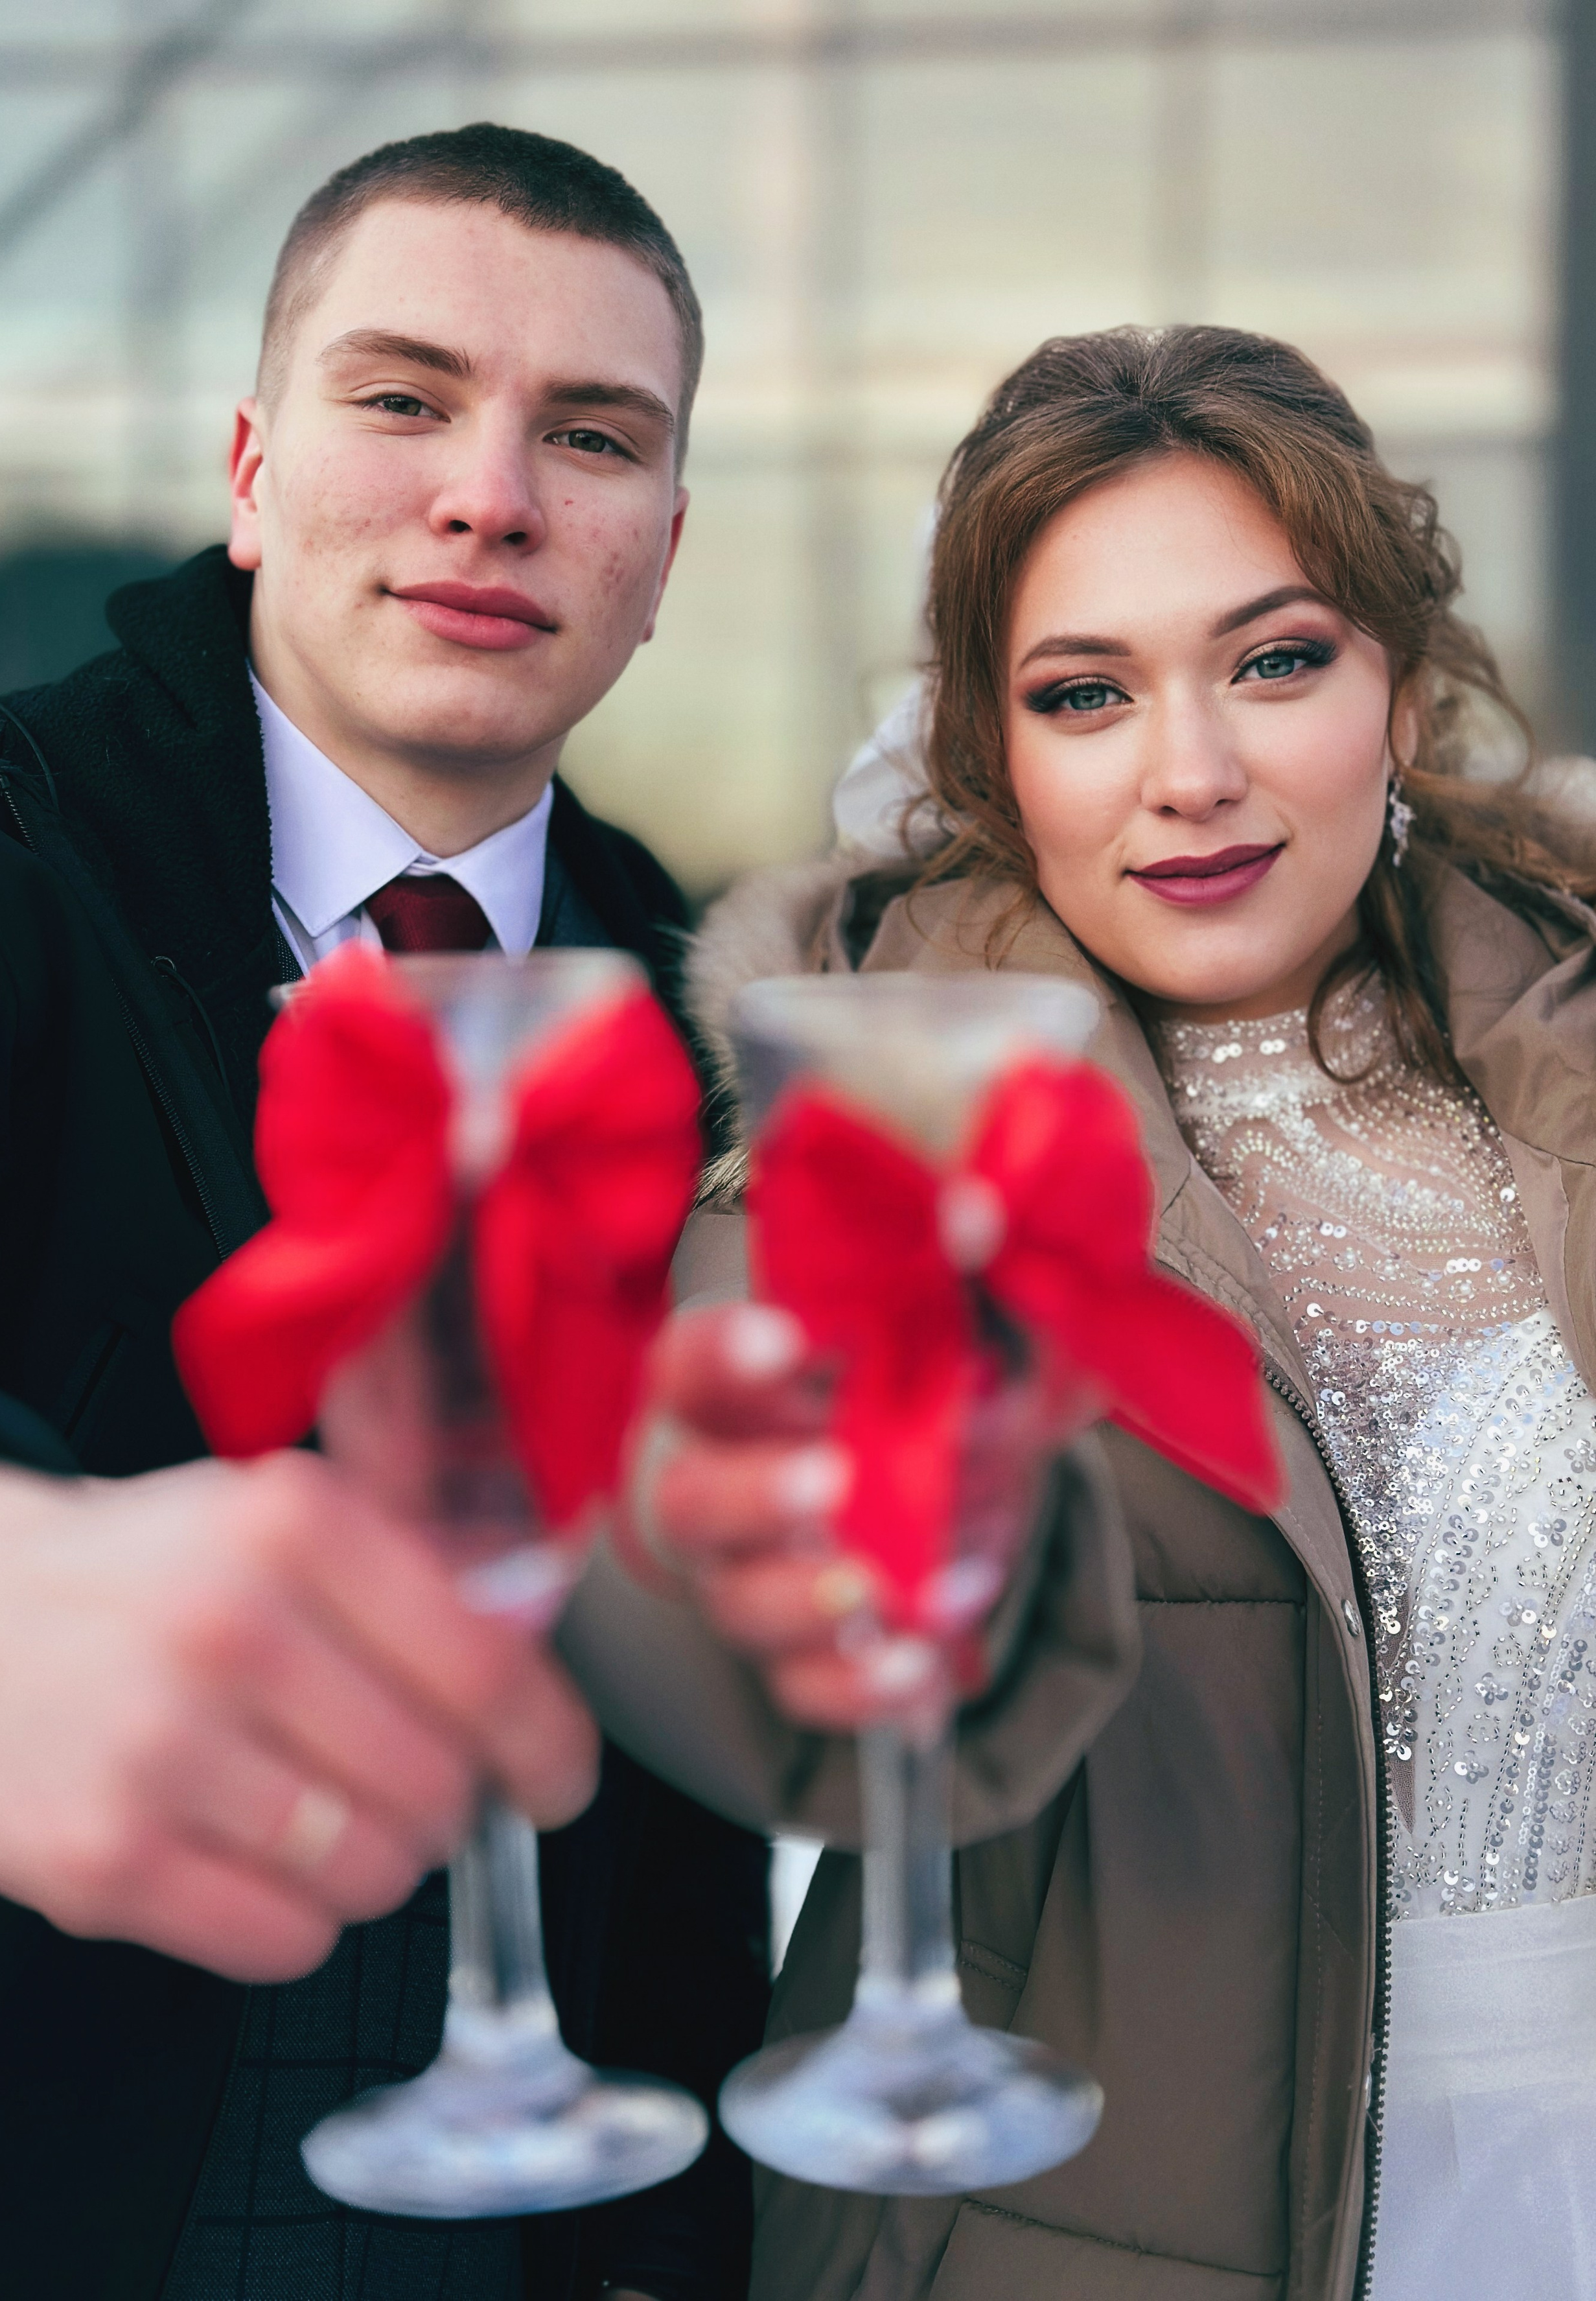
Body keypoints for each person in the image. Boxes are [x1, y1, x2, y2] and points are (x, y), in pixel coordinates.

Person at [603, 323, 1596, 2300]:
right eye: (1087, 694)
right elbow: (717, 1636)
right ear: (995, 754)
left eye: (1278, 660)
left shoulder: (1565, 1063)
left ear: (1394, 693)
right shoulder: (869, 1135)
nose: (1194, 773)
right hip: (1093, 2227)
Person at [0, 123, 773, 2301]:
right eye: (401, 398)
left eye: (588, 437)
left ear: (663, 551)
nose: (490, 494)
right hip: (37, 2178)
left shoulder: (711, 1014)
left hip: (574, 2212)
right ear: (247, 467)